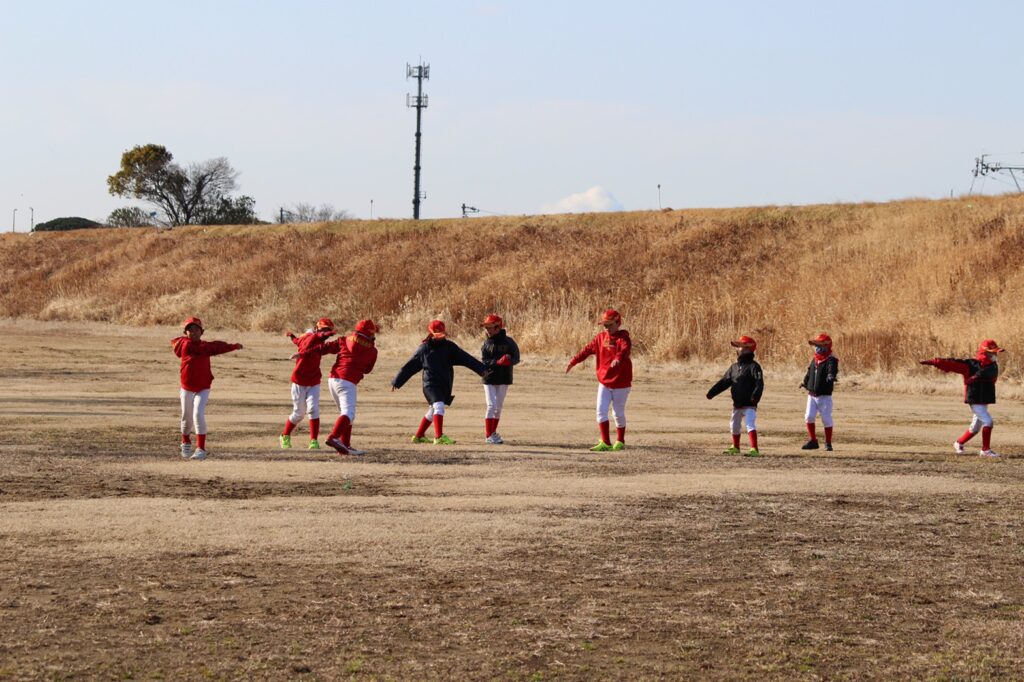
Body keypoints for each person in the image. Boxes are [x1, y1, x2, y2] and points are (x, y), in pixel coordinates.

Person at [391, 320, 489, 445]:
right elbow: (409, 367)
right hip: (430, 385)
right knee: (439, 406)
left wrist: (482, 370)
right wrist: (397, 381)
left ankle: (419, 436)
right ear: (431, 333)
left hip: (444, 384)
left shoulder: (450, 347)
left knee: (433, 410)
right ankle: (439, 437)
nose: (440, 336)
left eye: (442, 334)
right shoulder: (424, 349)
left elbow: (466, 358)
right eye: (437, 334)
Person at [170, 317, 243, 461]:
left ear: (201, 332)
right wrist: (231, 346)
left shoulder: (203, 345)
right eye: (190, 330)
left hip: (203, 387)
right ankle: (185, 441)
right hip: (187, 387)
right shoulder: (186, 345)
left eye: (196, 329)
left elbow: (214, 347)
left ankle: (201, 449)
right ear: (186, 332)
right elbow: (211, 348)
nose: (193, 332)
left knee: (198, 414)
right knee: (186, 417)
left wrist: (232, 346)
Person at [920, 339, 1005, 457]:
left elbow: (989, 377)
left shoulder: (993, 366)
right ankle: (985, 450)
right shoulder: (971, 365)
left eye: (995, 352)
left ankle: (959, 443)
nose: (995, 355)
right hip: (975, 399)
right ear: (985, 353)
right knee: (988, 422)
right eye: (992, 353)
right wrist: (934, 362)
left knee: (975, 428)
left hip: (984, 399)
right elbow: (952, 363)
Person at [566, 309, 632, 452]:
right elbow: (587, 350)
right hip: (604, 381)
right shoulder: (600, 338)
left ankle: (620, 441)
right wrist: (574, 361)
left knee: (617, 413)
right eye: (604, 325)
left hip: (621, 383)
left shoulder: (623, 337)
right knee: (601, 412)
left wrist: (618, 359)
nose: (606, 328)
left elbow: (624, 350)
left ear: (617, 322)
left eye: (609, 324)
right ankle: (606, 443)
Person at [318, 319, 380, 455]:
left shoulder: (344, 340)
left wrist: (305, 350)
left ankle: (345, 445)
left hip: (333, 379)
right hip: (347, 381)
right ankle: (333, 437)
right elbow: (368, 370)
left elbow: (324, 349)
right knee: (348, 413)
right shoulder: (372, 350)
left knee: (347, 415)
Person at [280, 318, 335, 450]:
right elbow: (311, 340)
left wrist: (292, 336)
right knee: (299, 413)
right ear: (317, 329)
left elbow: (297, 341)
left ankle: (314, 441)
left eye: (328, 330)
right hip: (299, 381)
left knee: (313, 409)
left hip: (314, 381)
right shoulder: (312, 337)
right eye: (324, 330)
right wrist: (328, 334)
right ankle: (285, 435)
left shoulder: (315, 340)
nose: (326, 333)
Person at [706, 335, 764, 457]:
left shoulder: (754, 367)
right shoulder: (734, 367)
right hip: (737, 403)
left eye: (740, 347)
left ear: (748, 349)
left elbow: (760, 384)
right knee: (734, 425)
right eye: (738, 347)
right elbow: (724, 382)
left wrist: (755, 397)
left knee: (750, 424)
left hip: (749, 403)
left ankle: (754, 449)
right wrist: (712, 393)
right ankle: (735, 447)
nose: (738, 349)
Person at [479, 313, 520, 444]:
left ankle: (493, 433)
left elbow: (516, 358)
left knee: (499, 407)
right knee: (491, 405)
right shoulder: (486, 343)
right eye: (487, 328)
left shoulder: (509, 342)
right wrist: (497, 362)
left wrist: (509, 362)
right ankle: (488, 435)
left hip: (503, 378)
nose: (488, 330)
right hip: (489, 378)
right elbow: (484, 361)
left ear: (498, 327)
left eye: (490, 327)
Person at [800, 333, 839, 451]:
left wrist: (831, 376)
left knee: (826, 418)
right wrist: (805, 382)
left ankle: (828, 443)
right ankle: (813, 441)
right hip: (812, 394)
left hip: (824, 395)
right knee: (809, 417)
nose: (816, 348)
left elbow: (832, 370)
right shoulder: (815, 359)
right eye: (816, 345)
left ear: (827, 346)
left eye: (819, 345)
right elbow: (809, 372)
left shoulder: (831, 359)